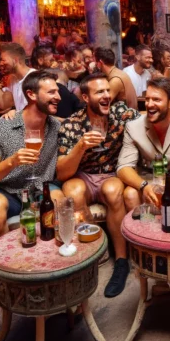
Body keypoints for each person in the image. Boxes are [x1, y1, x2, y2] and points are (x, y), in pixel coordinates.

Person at [57, 72, 139, 297]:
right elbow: (62, 173)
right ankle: (94, 251)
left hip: (111, 174)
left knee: (113, 191)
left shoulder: (121, 114)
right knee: (72, 191)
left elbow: (151, 118)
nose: (106, 96)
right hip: (83, 175)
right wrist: (80, 147)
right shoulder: (72, 125)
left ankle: (121, 261)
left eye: (107, 91)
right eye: (99, 92)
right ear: (85, 97)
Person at [0, 71, 65, 240]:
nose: (59, 97)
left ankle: (52, 256)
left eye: (58, 91)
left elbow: (79, 122)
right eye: (52, 92)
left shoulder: (56, 126)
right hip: (5, 191)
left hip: (41, 188)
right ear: (31, 94)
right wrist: (11, 162)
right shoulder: (1, 128)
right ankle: (4, 262)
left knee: (58, 199)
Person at [117, 77, 170, 209]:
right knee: (130, 193)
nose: (149, 104)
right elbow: (123, 167)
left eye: (156, 99)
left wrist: (165, 185)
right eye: (147, 99)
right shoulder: (133, 127)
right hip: (147, 180)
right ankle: (141, 229)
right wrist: (144, 186)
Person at [0, 43, 34, 112]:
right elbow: (4, 105)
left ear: (15, 60)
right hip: (18, 120)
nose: (0, 63)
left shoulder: (34, 78)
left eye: (3, 60)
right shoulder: (12, 78)